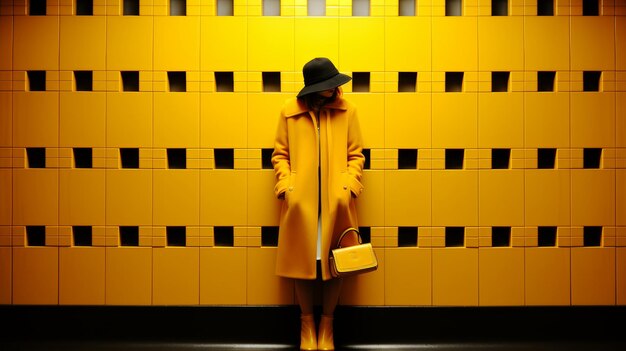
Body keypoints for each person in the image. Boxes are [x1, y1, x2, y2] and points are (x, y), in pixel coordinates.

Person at [271, 57, 365, 350]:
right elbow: (280, 155)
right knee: (303, 264)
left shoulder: (348, 110)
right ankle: (306, 323)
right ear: (314, 88)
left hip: (336, 203)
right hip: (303, 204)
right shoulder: (290, 112)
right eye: (329, 84)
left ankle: (328, 324)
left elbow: (356, 155)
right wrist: (288, 187)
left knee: (337, 263)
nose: (335, 89)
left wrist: (348, 186)